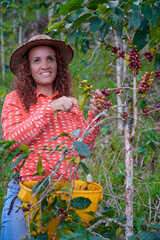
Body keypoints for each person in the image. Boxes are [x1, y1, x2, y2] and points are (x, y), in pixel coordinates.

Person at [0, 34, 104, 240]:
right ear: (27, 68)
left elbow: (81, 152)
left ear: (58, 64)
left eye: (50, 59)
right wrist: (49, 109)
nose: (44, 65)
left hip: (65, 196)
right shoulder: (15, 100)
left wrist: (94, 115)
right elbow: (12, 143)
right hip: (27, 193)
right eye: (36, 60)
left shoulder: (70, 103)